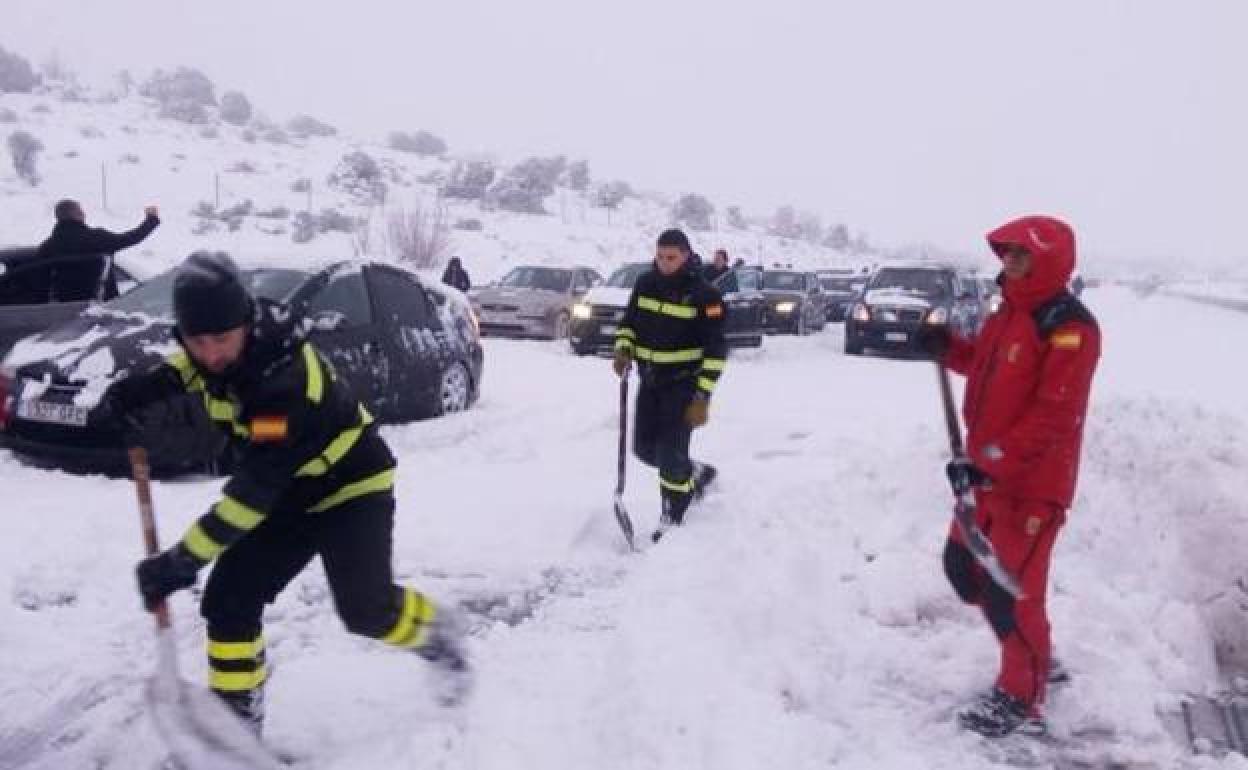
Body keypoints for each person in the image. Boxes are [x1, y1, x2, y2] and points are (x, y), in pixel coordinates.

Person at [101, 251, 471, 734]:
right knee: (229, 601)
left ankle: (435, 633)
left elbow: (251, 495)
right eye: (197, 340)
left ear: (247, 326)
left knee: (366, 610)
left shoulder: (284, 382)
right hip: (289, 492)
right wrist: (143, 389)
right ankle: (236, 722)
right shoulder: (224, 350)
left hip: (350, 487)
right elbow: (197, 370)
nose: (210, 352)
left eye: (222, 339)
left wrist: (183, 559)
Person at [917, 215, 1100, 738]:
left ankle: (1022, 694)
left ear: (1048, 258)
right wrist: (947, 346)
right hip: (984, 477)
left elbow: (1055, 415)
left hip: (1032, 487)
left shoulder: (1069, 326)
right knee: (962, 568)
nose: (1009, 263)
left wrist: (989, 459)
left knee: (1009, 594)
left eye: (1020, 254)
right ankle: (1034, 647)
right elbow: (982, 364)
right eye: (1006, 254)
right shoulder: (1008, 313)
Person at [613, 229, 727, 543]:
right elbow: (629, 324)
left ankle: (672, 511)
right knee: (644, 448)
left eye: (671, 258)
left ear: (686, 256)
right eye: (660, 256)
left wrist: (702, 395)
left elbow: (716, 350)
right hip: (649, 380)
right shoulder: (645, 283)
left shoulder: (705, 295)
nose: (664, 263)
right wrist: (624, 349)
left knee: (670, 451)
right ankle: (696, 473)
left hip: (683, 384)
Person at [38, 199, 160, 301]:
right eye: (81, 211)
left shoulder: (47, 248)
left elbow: (39, 280)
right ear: (78, 214)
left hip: (63, 316)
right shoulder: (97, 238)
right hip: (102, 313)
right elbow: (130, 238)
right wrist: (151, 220)